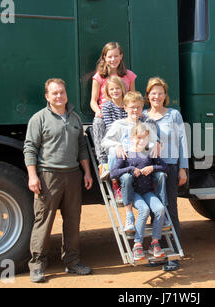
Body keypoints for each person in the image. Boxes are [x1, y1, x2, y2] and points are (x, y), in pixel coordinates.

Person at [24, 78, 93, 283]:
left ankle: (72, 262)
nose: (59, 96)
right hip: (47, 176)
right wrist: (33, 175)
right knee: (43, 222)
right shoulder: (39, 119)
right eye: (54, 93)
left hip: (73, 175)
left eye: (62, 92)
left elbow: (82, 147)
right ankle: (37, 265)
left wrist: (87, 172)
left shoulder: (75, 118)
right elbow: (30, 148)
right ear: (47, 96)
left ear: (66, 94)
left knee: (73, 221)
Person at [143, 77, 189, 271]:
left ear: (165, 96)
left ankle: (174, 255)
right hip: (149, 169)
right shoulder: (143, 116)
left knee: (170, 210)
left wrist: (182, 168)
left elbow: (182, 142)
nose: (157, 96)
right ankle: (159, 253)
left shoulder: (174, 115)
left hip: (169, 168)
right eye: (153, 93)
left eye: (160, 93)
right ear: (148, 95)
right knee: (155, 210)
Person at [102, 91, 164, 233]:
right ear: (125, 108)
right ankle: (116, 184)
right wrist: (117, 145)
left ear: (142, 108)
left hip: (141, 163)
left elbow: (155, 140)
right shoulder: (119, 124)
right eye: (132, 107)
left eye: (138, 107)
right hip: (125, 164)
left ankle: (160, 212)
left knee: (154, 149)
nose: (135, 110)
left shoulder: (145, 126)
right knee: (113, 150)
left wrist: (157, 144)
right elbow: (105, 141)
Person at [110, 123, 167, 261]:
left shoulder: (150, 153)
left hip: (147, 192)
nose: (141, 141)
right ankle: (138, 244)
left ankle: (154, 242)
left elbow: (165, 167)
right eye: (138, 138)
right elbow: (113, 173)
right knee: (144, 210)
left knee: (159, 209)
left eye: (144, 138)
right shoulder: (126, 154)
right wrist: (130, 169)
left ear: (148, 139)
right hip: (133, 193)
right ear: (131, 138)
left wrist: (152, 167)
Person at [90, 42, 137, 179]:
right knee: (98, 122)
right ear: (104, 57)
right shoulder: (99, 77)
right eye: (109, 56)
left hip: (123, 112)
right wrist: (98, 111)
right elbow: (93, 101)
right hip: (106, 113)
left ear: (121, 56)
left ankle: (132, 161)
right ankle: (103, 164)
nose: (113, 59)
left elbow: (132, 97)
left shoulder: (129, 75)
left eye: (116, 56)